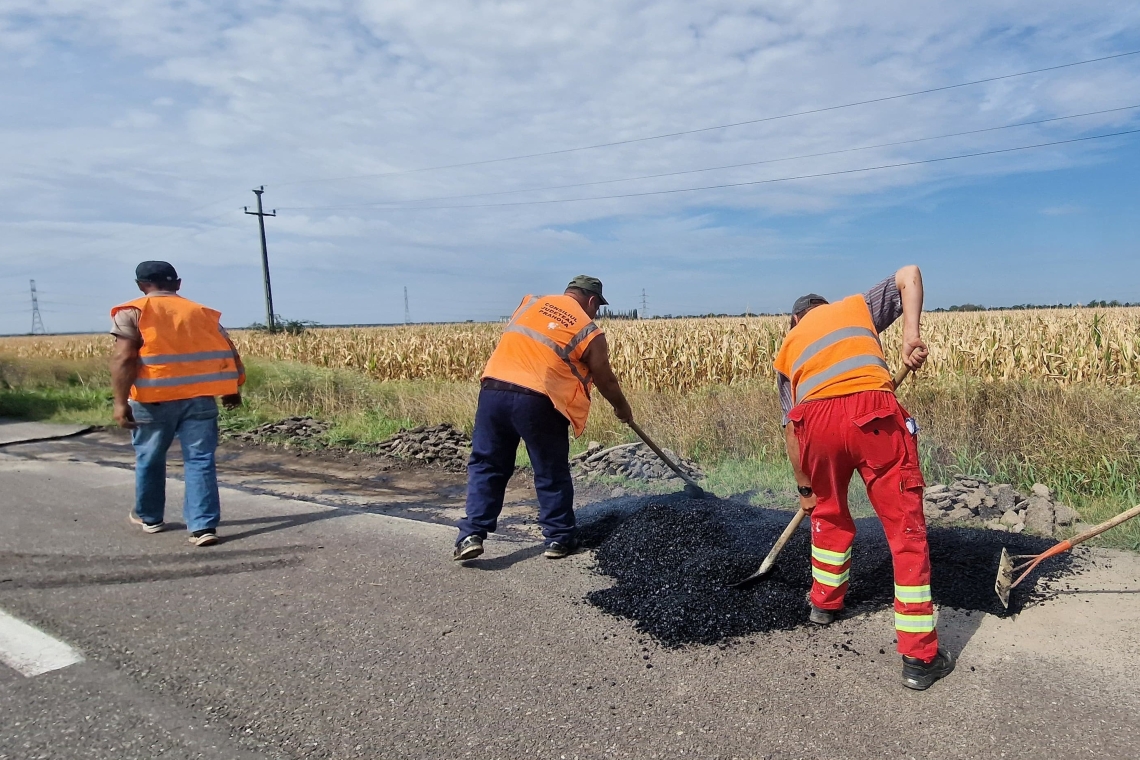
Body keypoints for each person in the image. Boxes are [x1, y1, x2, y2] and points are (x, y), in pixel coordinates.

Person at [774, 265, 954, 691]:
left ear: (794, 320)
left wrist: (806, 493)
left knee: (830, 515)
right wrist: (911, 335)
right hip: (874, 413)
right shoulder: (855, 308)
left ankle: (823, 604)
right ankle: (918, 658)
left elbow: (790, 429)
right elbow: (910, 274)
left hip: (814, 425)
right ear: (825, 308)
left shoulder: (788, 348)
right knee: (904, 532)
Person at [454, 275, 634, 561]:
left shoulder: (530, 303)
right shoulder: (589, 331)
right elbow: (604, 377)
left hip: (493, 391)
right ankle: (559, 539)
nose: (596, 312)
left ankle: (471, 534)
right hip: (539, 399)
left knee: (488, 464)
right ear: (590, 300)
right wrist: (622, 408)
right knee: (550, 470)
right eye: (597, 306)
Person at [110, 261, 245, 547]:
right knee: (200, 460)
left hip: (153, 399)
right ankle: (202, 527)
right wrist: (232, 388)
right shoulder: (202, 312)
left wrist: (120, 403)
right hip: (200, 398)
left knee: (150, 457)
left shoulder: (132, 311)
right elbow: (228, 350)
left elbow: (124, 358)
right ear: (178, 283)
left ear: (140, 284)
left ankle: (151, 518)